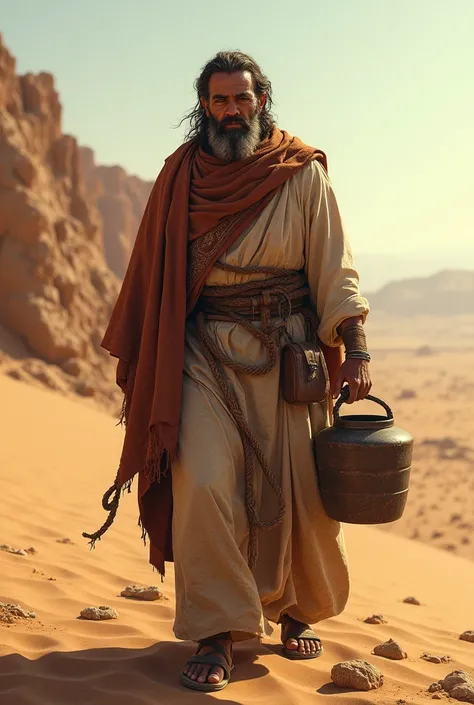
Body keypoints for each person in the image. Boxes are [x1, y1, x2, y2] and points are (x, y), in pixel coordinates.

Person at [84, 50, 371, 692]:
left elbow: (334, 264)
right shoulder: (181, 174)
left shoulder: (300, 173)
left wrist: (354, 345)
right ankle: (217, 632)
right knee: (206, 481)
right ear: (204, 105)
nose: (231, 111)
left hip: (288, 349)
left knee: (299, 491)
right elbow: (155, 271)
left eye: (241, 99)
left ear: (261, 99)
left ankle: (296, 609)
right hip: (203, 350)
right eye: (219, 100)